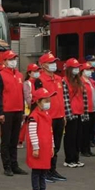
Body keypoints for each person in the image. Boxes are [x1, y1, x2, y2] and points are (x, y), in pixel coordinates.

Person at [35, 53, 67, 182]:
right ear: (43, 65)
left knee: (56, 145)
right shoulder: (40, 80)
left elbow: (62, 98)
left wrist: (64, 115)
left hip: (59, 116)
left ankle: (52, 169)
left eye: (54, 62)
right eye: (50, 62)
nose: (54, 64)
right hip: (48, 117)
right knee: (47, 145)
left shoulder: (59, 79)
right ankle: (45, 171)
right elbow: (38, 100)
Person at [27, 87, 57, 190]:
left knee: (44, 171)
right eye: (45, 100)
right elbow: (32, 133)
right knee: (36, 172)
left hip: (46, 148)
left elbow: (50, 132)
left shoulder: (47, 115)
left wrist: (52, 146)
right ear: (38, 102)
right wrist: (35, 147)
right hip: (38, 149)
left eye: (49, 100)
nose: (48, 103)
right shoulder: (34, 116)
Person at [0, 50, 26, 176]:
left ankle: (15, 165)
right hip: (7, 111)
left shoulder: (19, 75)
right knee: (6, 140)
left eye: (14, 59)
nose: (13, 61)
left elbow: (21, 93)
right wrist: (0, 112)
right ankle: (7, 166)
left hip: (18, 110)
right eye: (10, 59)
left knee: (15, 140)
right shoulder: (0, 75)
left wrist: (23, 110)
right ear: (4, 61)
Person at [62, 58, 87, 168]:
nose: (77, 69)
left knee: (78, 136)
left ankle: (76, 158)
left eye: (78, 67)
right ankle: (69, 159)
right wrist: (68, 114)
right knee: (70, 136)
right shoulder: (64, 81)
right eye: (75, 67)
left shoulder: (79, 81)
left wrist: (85, 113)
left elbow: (84, 97)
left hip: (79, 112)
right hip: (71, 112)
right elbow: (65, 98)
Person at [80, 62, 95, 158]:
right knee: (85, 131)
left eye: (90, 69)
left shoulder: (92, 81)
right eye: (87, 69)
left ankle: (88, 148)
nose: (89, 71)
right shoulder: (80, 81)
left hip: (94, 109)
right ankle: (84, 149)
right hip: (86, 109)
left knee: (91, 130)